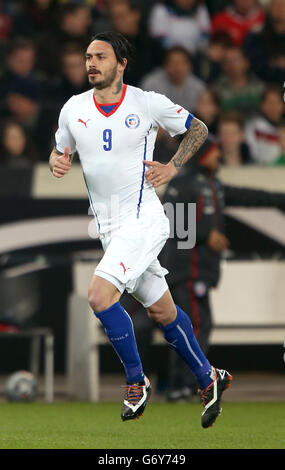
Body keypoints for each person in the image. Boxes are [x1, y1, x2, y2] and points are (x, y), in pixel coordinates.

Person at [49, 31, 232, 429]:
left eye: (100, 56)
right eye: (87, 56)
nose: (91, 63)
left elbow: (198, 128)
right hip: (110, 229)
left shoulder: (146, 102)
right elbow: (60, 148)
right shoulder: (73, 108)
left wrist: (174, 166)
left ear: (121, 63)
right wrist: (56, 162)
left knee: (99, 296)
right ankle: (209, 377)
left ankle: (136, 381)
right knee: (162, 310)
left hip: (144, 220)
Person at [162, 134, 285, 401]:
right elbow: (171, 222)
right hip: (186, 270)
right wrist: (207, 234)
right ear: (203, 153)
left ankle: (183, 385)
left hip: (202, 271)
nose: (219, 156)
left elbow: (245, 195)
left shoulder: (213, 184)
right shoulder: (182, 183)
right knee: (194, 325)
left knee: (195, 325)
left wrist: (279, 199)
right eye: (215, 151)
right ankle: (182, 385)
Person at [213, 45, 264, 116]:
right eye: (227, 61)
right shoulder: (216, 89)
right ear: (223, 66)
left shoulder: (260, 87)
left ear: (246, 62)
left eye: (236, 60)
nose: (232, 64)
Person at [243, 0, 285, 83]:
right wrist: (276, 65)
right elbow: (254, 64)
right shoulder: (256, 34)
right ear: (268, 9)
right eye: (276, 5)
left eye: (283, 6)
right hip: (263, 84)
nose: (279, 9)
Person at [245, 85, 285, 165]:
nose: (273, 107)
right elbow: (253, 154)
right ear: (262, 105)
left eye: (277, 103)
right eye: (270, 103)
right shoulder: (253, 126)